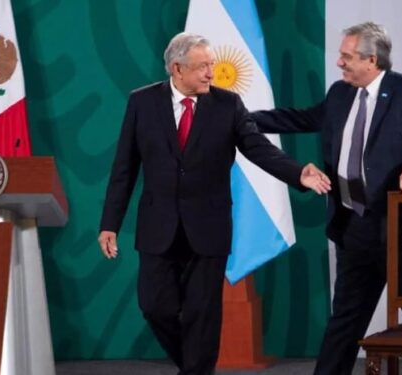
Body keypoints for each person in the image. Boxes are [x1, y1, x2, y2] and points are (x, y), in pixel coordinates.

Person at [97, 32, 330, 375]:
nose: (211, 73)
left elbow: (258, 148)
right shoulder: (141, 102)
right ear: (177, 68)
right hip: (157, 227)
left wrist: (298, 175)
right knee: (155, 307)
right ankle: (196, 368)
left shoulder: (228, 104)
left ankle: (196, 370)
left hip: (208, 227)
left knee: (202, 315)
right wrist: (109, 224)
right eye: (203, 66)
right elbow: (124, 167)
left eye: (212, 65)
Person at [251, 22, 402, 375]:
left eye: (346, 56)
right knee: (345, 323)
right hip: (355, 225)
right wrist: (238, 118)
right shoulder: (341, 94)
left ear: (372, 59)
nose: (339, 62)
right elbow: (301, 118)